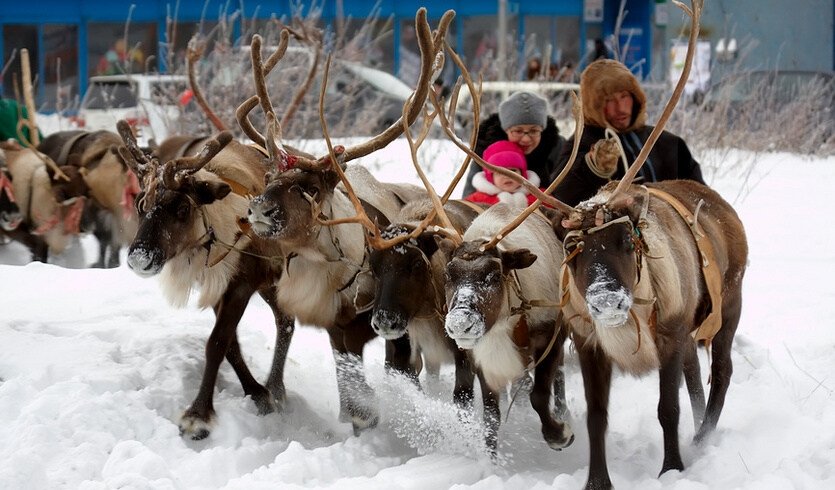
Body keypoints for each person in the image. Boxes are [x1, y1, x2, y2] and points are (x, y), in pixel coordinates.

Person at [551, 59, 705, 206]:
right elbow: (561, 197)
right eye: (609, 100)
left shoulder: (665, 142)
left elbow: (702, 199)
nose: (620, 108)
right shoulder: (578, 146)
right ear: (594, 105)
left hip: (672, 229)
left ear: (635, 97)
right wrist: (591, 167)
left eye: (625, 96)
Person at [461, 91, 565, 198]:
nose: (526, 139)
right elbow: (469, 199)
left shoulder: (556, 148)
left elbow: (564, 193)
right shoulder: (487, 150)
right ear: (506, 130)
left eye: (534, 131)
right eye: (518, 131)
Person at [464, 140, 544, 207]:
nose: (507, 176)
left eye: (513, 171)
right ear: (491, 178)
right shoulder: (477, 199)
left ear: (522, 174)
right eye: (500, 172)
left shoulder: (540, 196)